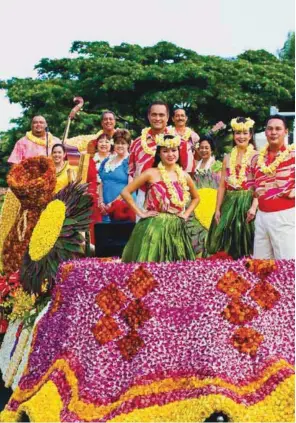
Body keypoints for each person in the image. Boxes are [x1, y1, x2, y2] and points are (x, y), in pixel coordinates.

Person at [121, 134, 199, 263]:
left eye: (174, 150)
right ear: (159, 154)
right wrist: (141, 213)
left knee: (176, 268)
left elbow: (196, 198)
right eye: (165, 151)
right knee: (151, 264)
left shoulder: (184, 175)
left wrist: (186, 214)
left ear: (179, 152)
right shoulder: (150, 173)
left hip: (176, 227)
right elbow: (125, 192)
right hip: (153, 227)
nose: (170, 154)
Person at [129, 101, 196, 213]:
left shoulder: (181, 143)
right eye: (154, 115)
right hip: (144, 198)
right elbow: (132, 172)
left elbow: (189, 172)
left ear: (168, 117)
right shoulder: (137, 143)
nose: (157, 118)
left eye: (161, 115)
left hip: (174, 198)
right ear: (148, 116)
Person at [206, 117, 258, 259]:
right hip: (229, 201)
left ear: (251, 135)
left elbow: (260, 185)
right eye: (237, 133)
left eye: (244, 133)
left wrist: (254, 207)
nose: (241, 137)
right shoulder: (227, 157)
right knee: (223, 239)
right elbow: (222, 185)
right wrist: (217, 209)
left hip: (247, 201)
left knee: (246, 241)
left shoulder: (256, 156)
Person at [251, 115, 295, 259]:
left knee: (286, 264)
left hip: (284, 216)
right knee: (260, 265)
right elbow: (254, 187)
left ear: (286, 132)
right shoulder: (257, 159)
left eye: (278, 129)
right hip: (262, 216)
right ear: (265, 132)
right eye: (270, 129)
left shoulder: (293, 156)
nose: (273, 132)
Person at [186, 135, 222, 256]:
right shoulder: (195, 165)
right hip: (196, 205)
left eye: (207, 148)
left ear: (212, 149)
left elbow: (220, 186)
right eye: (201, 148)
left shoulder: (217, 165)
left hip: (211, 204)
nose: (203, 150)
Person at [99, 129, 135, 222]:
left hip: (123, 208)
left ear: (128, 145)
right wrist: (101, 201)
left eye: (123, 143)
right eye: (117, 143)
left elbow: (130, 187)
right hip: (105, 209)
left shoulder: (130, 161)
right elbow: (102, 183)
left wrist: (113, 203)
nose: (120, 146)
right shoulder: (107, 161)